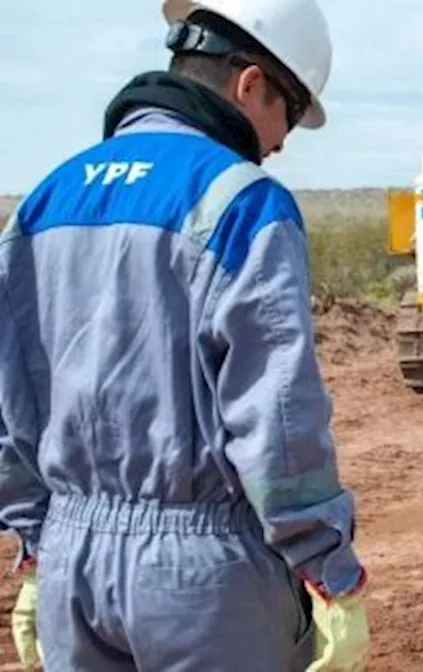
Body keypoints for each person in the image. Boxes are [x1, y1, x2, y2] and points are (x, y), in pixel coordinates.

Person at [1, 1, 369, 669]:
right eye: (286, 115)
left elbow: (10, 398)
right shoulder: (244, 202)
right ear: (251, 84)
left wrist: (33, 541)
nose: (280, 142)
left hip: (69, 570)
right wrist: (326, 564)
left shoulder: (42, 202)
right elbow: (277, 414)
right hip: (205, 579)